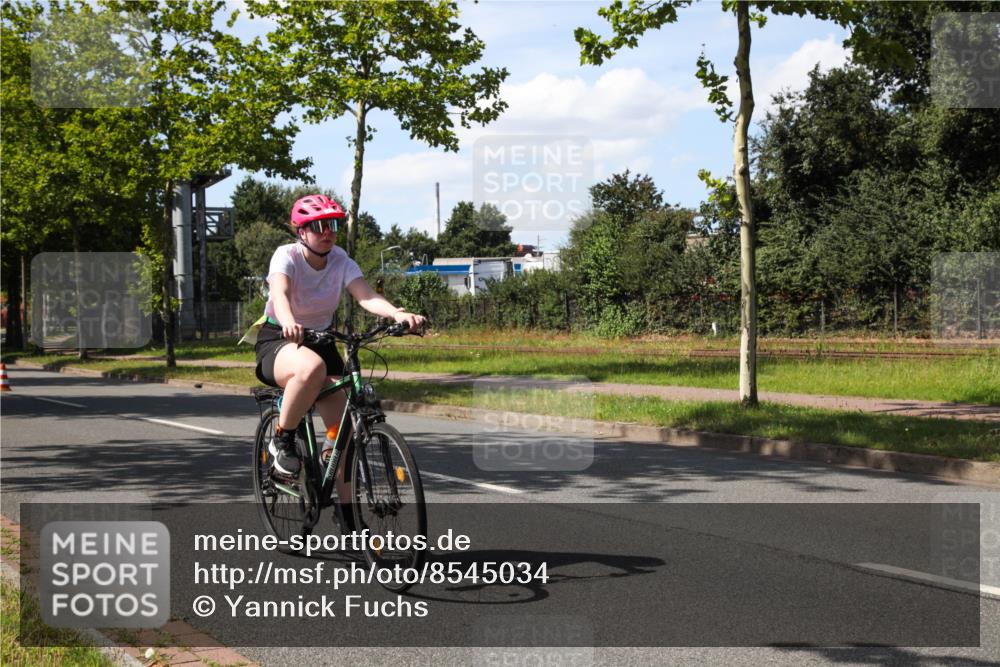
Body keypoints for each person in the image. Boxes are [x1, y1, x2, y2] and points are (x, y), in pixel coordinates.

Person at [255, 194, 426, 477]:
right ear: (301, 231)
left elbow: (366, 295)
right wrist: (288, 322)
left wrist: (397, 314)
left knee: (345, 438)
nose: (328, 232)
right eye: (319, 225)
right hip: (281, 338)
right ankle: (282, 438)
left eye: (333, 224)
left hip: (321, 341)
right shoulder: (286, 255)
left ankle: (345, 511)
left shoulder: (340, 260)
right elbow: (280, 294)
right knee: (312, 368)